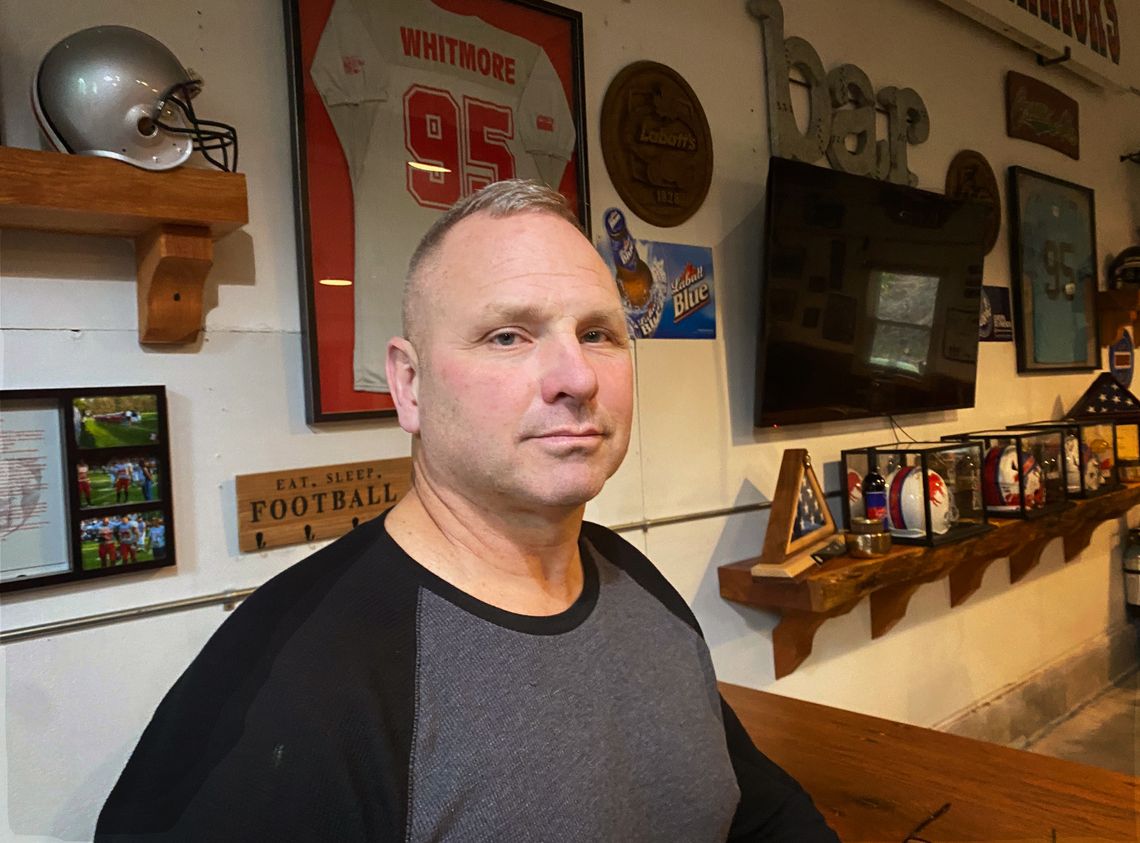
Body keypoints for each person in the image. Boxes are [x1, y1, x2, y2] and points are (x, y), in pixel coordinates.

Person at [96, 180, 838, 841]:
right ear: (409, 385)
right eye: (508, 335)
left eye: (598, 334)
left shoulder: (635, 583)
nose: (576, 375)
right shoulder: (295, 686)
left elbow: (759, 813)